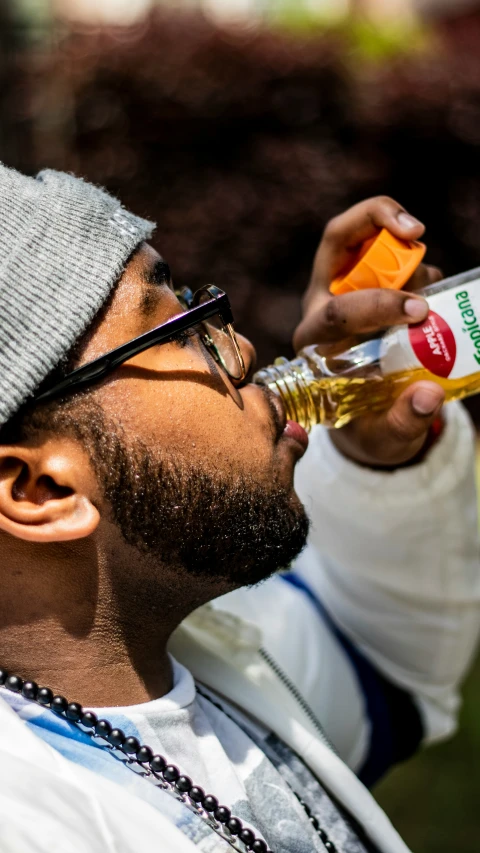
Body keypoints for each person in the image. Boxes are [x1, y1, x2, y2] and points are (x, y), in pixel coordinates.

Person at [0, 162, 478, 853]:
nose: (246, 349)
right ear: (38, 491)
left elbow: (385, 674)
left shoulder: (192, 667)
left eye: (199, 304)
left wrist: (378, 457)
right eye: (179, 330)